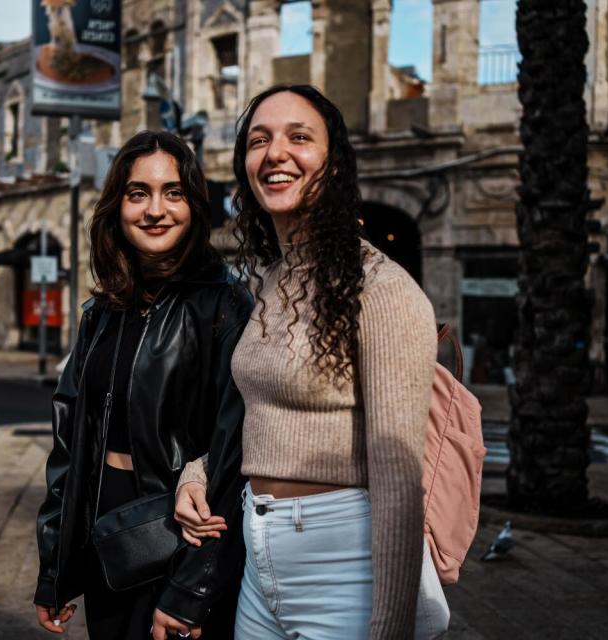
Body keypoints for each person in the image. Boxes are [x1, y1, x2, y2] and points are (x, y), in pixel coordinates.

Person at [174, 85, 439, 640]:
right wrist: (197, 471)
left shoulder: (381, 288)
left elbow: (397, 477)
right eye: (259, 139)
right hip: (258, 560)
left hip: (344, 569)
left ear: (335, 163)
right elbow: (251, 410)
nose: (275, 153)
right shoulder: (267, 279)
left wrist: (389, 628)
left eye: (300, 137)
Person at [34, 130, 252, 639]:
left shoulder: (225, 305)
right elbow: (70, 449)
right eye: (139, 193)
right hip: (107, 536)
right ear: (118, 206)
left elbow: (234, 459)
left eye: (173, 192)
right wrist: (56, 570)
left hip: (179, 538)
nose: (156, 209)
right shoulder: (102, 312)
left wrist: (193, 591)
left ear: (195, 204)